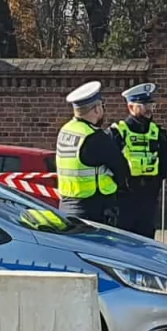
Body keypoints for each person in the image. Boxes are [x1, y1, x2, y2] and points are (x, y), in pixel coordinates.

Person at [54, 81, 130, 225]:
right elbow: (122, 168)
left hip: (66, 206)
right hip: (94, 211)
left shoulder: (65, 130)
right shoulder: (94, 137)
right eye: (102, 106)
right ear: (96, 109)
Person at [110, 82, 167, 239]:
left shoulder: (158, 133)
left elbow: (165, 165)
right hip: (124, 200)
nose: (149, 109)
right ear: (131, 107)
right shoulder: (117, 133)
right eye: (144, 105)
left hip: (148, 199)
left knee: (146, 243)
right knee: (122, 243)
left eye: (151, 104)